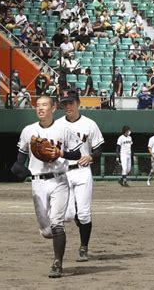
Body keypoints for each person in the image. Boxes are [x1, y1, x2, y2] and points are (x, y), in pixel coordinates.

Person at [11, 96, 82, 278]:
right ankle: (59, 225)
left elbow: (78, 153)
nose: (40, 108)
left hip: (59, 180)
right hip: (38, 183)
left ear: (53, 108)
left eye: (44, 105)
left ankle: (57, 264)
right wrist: (20, 170)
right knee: (46, 230)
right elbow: (20, 161)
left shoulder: (63, 129)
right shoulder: (28, 131)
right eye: (38, 105)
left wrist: (61, 152)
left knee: (57, 224)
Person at [57, 90, 104, 262]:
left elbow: (99, 149)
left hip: (83, 171)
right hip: (63, 172)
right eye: (65, 103)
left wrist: (91, 156)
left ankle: (84, 247)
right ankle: (76, 217)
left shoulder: (90, 124)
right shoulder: (58, 124)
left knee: (84, 214)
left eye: (70, 102)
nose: (67, 106)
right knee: (68, 215)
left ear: (78, 103)